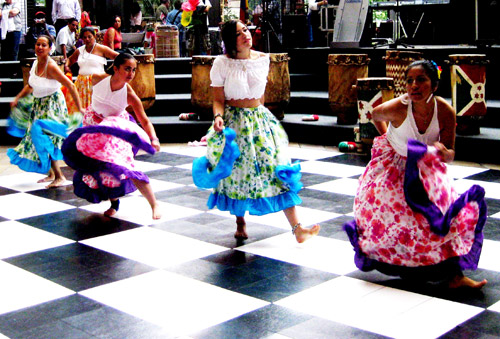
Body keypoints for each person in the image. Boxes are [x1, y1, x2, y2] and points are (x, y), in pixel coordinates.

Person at [344, 60, 488, 289]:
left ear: (434, 85)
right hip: (394, 168)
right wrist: (387, 141)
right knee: (397, 220)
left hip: (426, 169)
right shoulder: (397, 107)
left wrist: (444, 152)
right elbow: (375, 115)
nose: (414, 86)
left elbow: (451, 153)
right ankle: (410, 267)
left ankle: (454, 276)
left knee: (442, 219)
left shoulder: (445, 112)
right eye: (409, 81)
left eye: (421, 80)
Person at [192, 20, 320, 242]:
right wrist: (218, 117)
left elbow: (260, 96)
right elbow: (218, 100)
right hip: (234, 123)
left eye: (246, 30)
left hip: (259, 121)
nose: (246, 35)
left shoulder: (262, 60)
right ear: (231, 41)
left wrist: (266, 120)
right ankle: (240, 222)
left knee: (276, 170)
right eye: (239, 33)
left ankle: (298, 228)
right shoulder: (222, 63)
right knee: (238, 174)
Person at [62, 53, 162, 220]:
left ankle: (154, 204)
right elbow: (79, 86)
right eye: (127, 69)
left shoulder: (129, 94)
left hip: (115, 131)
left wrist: (154, 139)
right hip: (93, 129)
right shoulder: (97, 78)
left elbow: (144, 120)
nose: (131, 73)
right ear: (115, 68)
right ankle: (114, 203)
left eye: (134, 70)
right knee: (100, 169)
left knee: (125, 167)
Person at [7, 35, 83, 188]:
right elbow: (30, 85)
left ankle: (60, 176)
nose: (40, 47)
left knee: (46, 137)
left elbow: (71, 86)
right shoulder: (35, 63)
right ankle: (52, 174)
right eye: (37, 44)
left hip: (52, 104)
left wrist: (79, 107)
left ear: (50, 48)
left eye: (43, 45)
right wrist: (18, 98)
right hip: (39, 104)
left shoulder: (51, 66)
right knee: (38, 136)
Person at [65, 27, 119, 110]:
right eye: (84, 37)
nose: (87, 39)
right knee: (81, 108)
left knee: (97, 108)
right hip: (82, 84)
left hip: (97, 83)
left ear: (94, 37)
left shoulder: (102, 49)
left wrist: (111, 71)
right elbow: (70, 59)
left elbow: (119, 57)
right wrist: (66, 66)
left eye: (89, 37)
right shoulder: (79, 51)